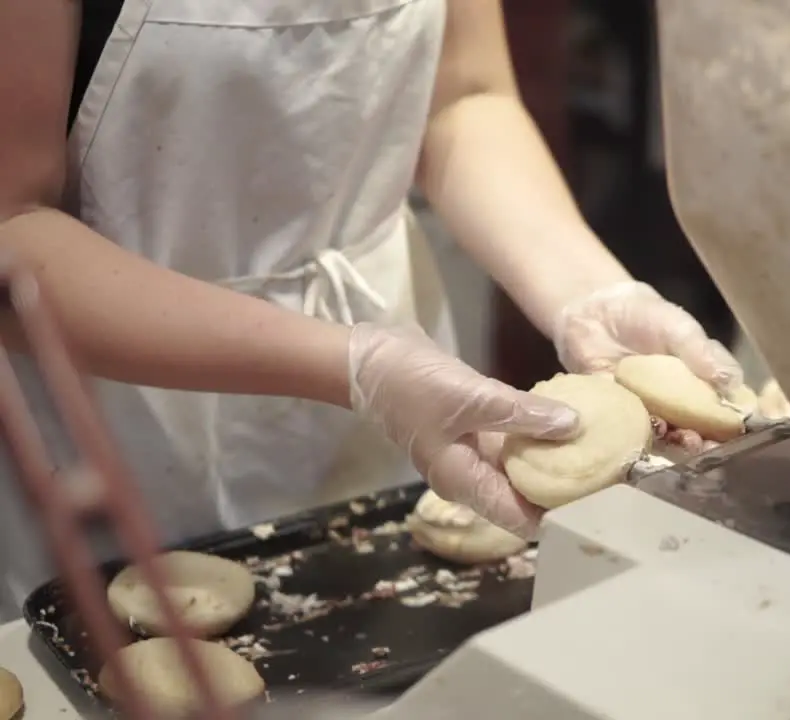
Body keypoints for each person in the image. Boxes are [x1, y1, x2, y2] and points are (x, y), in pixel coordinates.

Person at [0, 0, 742, 618]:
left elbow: (463, 98)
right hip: (114, 411)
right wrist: (352, 366)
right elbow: (11, 226)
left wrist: (586, 292)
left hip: (388, 392)